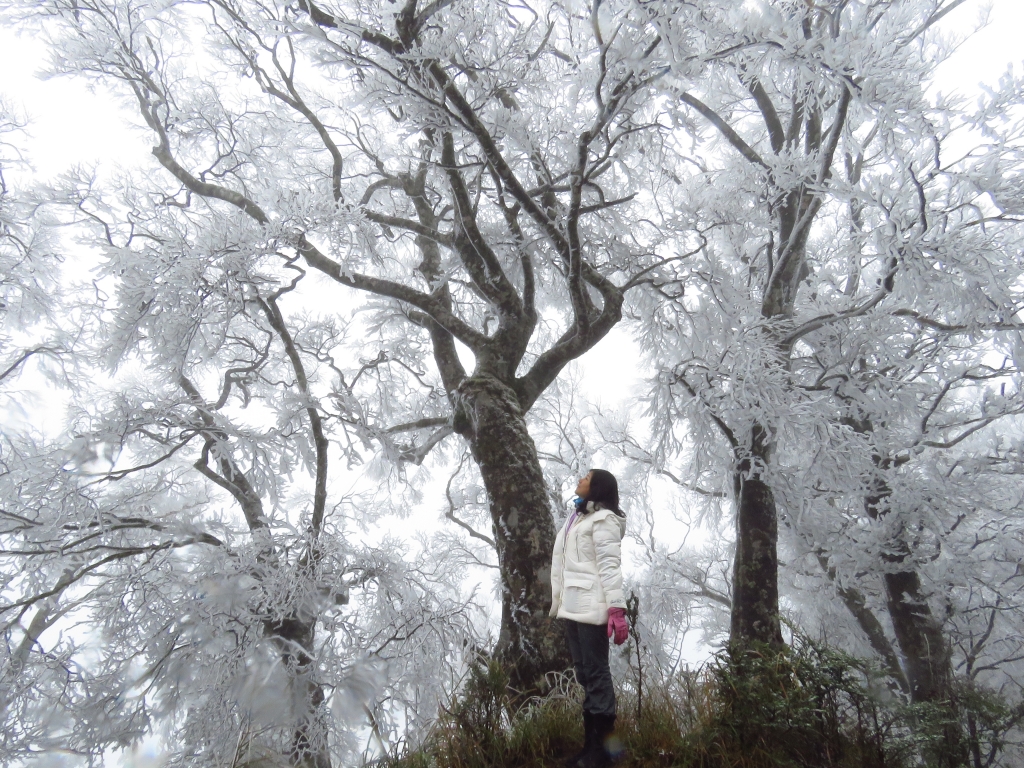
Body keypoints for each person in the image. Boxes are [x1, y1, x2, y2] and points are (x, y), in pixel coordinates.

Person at [550, 469, 629, 768]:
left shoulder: (603, 520)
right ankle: (590, 748)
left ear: (596, 487)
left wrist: (616, 609)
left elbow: (609, 565)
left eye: (586, 477)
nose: (579, 479)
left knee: (596, 675)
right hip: (572, 605)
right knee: (584, 673)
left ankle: (605, 754)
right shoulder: (579, 517)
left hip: (592, 605)